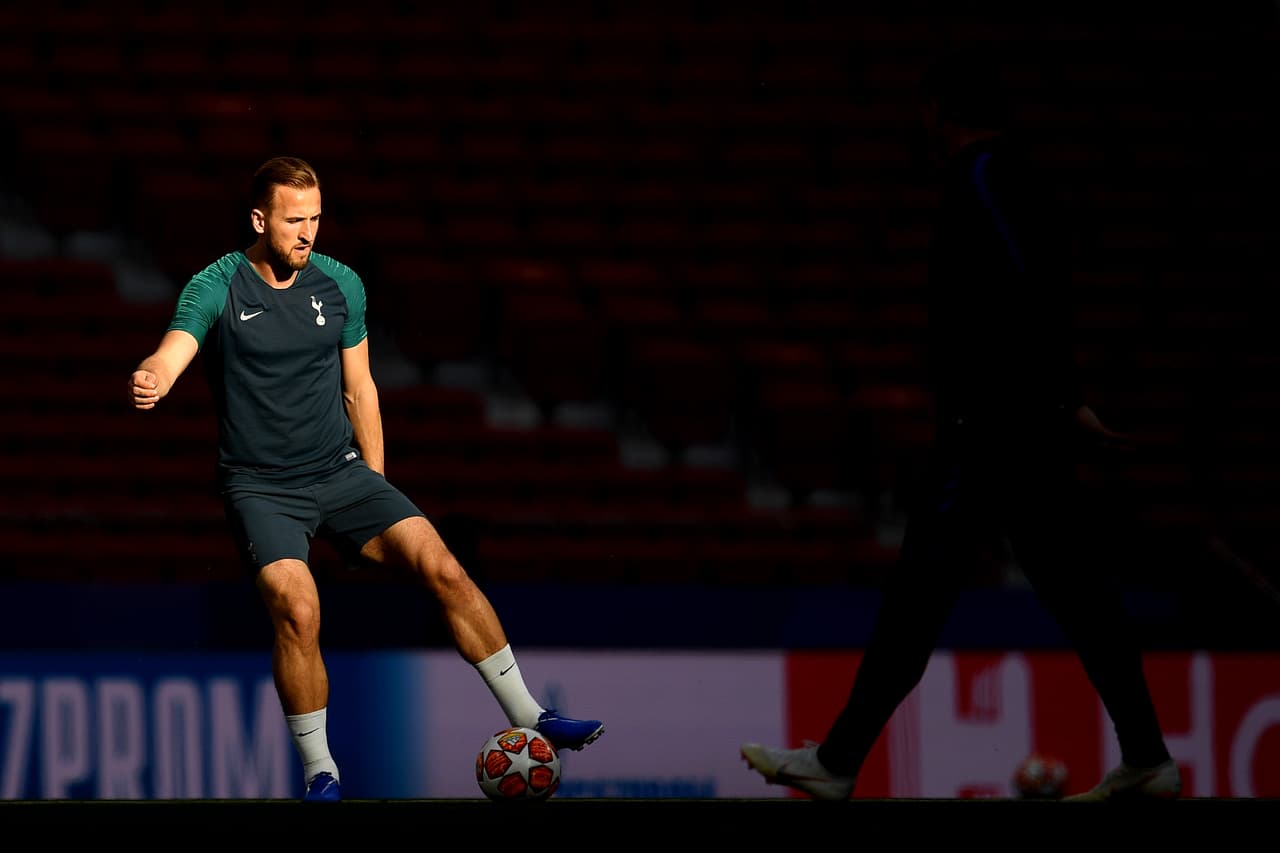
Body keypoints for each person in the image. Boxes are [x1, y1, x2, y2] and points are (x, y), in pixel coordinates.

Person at [740, 51, 1180, 802]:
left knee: (917, 598)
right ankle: (1146, 756)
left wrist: (1050, 394)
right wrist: (1063, 397)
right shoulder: (1019, 178)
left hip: (990, 433)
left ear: (940, 109)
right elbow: (1044, 290)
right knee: (1079, 594)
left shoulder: (981, 178)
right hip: (1023, 426)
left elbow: (1025, 286)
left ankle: (840, 760)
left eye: (925, 108)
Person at [128, 155, 603, 802]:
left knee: (445, 567)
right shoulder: (217, 284)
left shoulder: (341, 285)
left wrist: (375, 492)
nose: (308, 232)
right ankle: (322, 772)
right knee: (299, 610)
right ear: (259, 218)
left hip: (342, 474)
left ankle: (529, 713)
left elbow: (360, 390)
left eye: (316, 218)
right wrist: (156, 372)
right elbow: (176, 344)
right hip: (262, 490)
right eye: (295, 219)